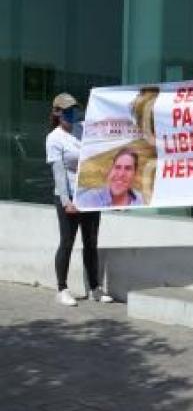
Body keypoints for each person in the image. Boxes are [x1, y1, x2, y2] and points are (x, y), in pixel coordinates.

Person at [46, 93, 113, 307]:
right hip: (69, 198)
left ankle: (94, 287)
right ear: (57, 113)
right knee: (67, 242)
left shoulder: (82, 128)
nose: (71, 113)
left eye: (73, 109)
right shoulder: (54, 138)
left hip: (90, 194)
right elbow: (59, 173)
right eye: (66, 110)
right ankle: (62, 288)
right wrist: (67, 201)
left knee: (91, 243)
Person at [75, 148, 144, 208]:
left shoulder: (140, 200)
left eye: (128, 168)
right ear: (111, 170)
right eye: (117, 167)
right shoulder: (89, 199)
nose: (121, 174)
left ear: (135, 173)